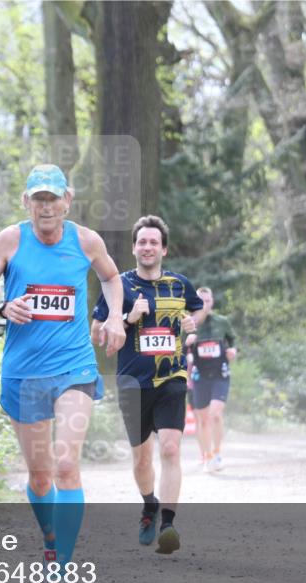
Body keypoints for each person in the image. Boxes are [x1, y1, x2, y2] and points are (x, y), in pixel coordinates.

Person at [0, 164, 125, 583]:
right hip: (24, 373)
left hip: (74, 367)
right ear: (27, 203)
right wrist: (2, 305)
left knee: (65, 463)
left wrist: (113, 315)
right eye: (39, 199)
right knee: (39, 476)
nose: (47, 207)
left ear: (67, 200)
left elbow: (112, 277)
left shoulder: (87, 240)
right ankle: (51, 539)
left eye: (53, 198)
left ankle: (61, 571)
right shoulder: (10, 240)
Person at [91, 215, 204, 555]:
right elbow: (96, 333)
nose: (148, 247)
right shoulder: (118, 286)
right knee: (142, 460)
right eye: (142, 241)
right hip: (132, 381)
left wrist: (191, 322)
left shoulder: (180, 285)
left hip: (171, 375)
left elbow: (197, 314)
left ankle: (168, 524)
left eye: (154, 242)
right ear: (134, 247)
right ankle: (149, 505)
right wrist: (127, 319)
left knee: (170, 448)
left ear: (164, 249)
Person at [186, 287, 237, 472]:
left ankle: (217, 454)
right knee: (203, 419)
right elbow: (179, 348)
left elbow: (232, 340)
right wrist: (187, 342)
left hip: (220, 374)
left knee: (215, 414)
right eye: (201, 301)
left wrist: (233, 350)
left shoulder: (222, 322)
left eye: (208, 301)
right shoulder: (189, 323)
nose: (205, 304)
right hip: (199, 376)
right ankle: (207, 456)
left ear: (212, 302)